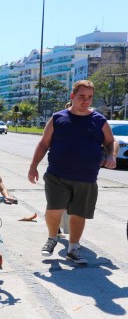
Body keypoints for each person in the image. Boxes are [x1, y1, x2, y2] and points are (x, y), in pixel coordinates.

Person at [28, 80, 116, 265]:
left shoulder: (99, 120)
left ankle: (73, 248)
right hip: (57, 174)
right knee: (54, 208)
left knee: (79, 213)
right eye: (81, 96)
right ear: (72, 96)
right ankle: (52, 238)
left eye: (89, 97)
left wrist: (111, 155)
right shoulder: (58, 118)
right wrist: (33, 166)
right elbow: (44, 143)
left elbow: (110, 142)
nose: (86, 101)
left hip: (87, 177)